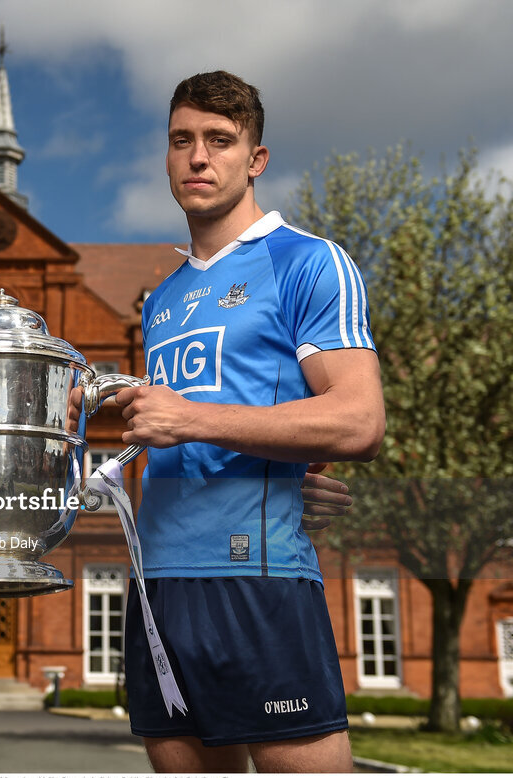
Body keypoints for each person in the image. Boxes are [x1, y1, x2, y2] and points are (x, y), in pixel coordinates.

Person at [114, 70, 386, 773]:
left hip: (256, 580)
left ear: (255, 159)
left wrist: (191, 419)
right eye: (182, 140)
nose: (198, 157)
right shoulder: (163, 298)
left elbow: (357, 419)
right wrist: (283, 474)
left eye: (219, 140)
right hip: (159, 587)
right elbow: (215, 424)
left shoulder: (308, 261)